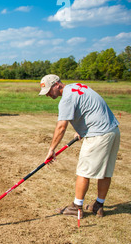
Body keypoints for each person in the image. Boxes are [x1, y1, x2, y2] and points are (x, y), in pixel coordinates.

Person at [39, 74, 120, 218]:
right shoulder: (76, 87)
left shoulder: (66, 99)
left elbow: (61, 127)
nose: (48, 95)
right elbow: (89, 108)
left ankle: (77, 207)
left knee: (83, 172)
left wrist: (52, 149)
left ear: (57, 85)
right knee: (106, 171)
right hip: (112, 130)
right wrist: (81, 130)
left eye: (49, 91)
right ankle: (98, 206)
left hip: (98, 134)